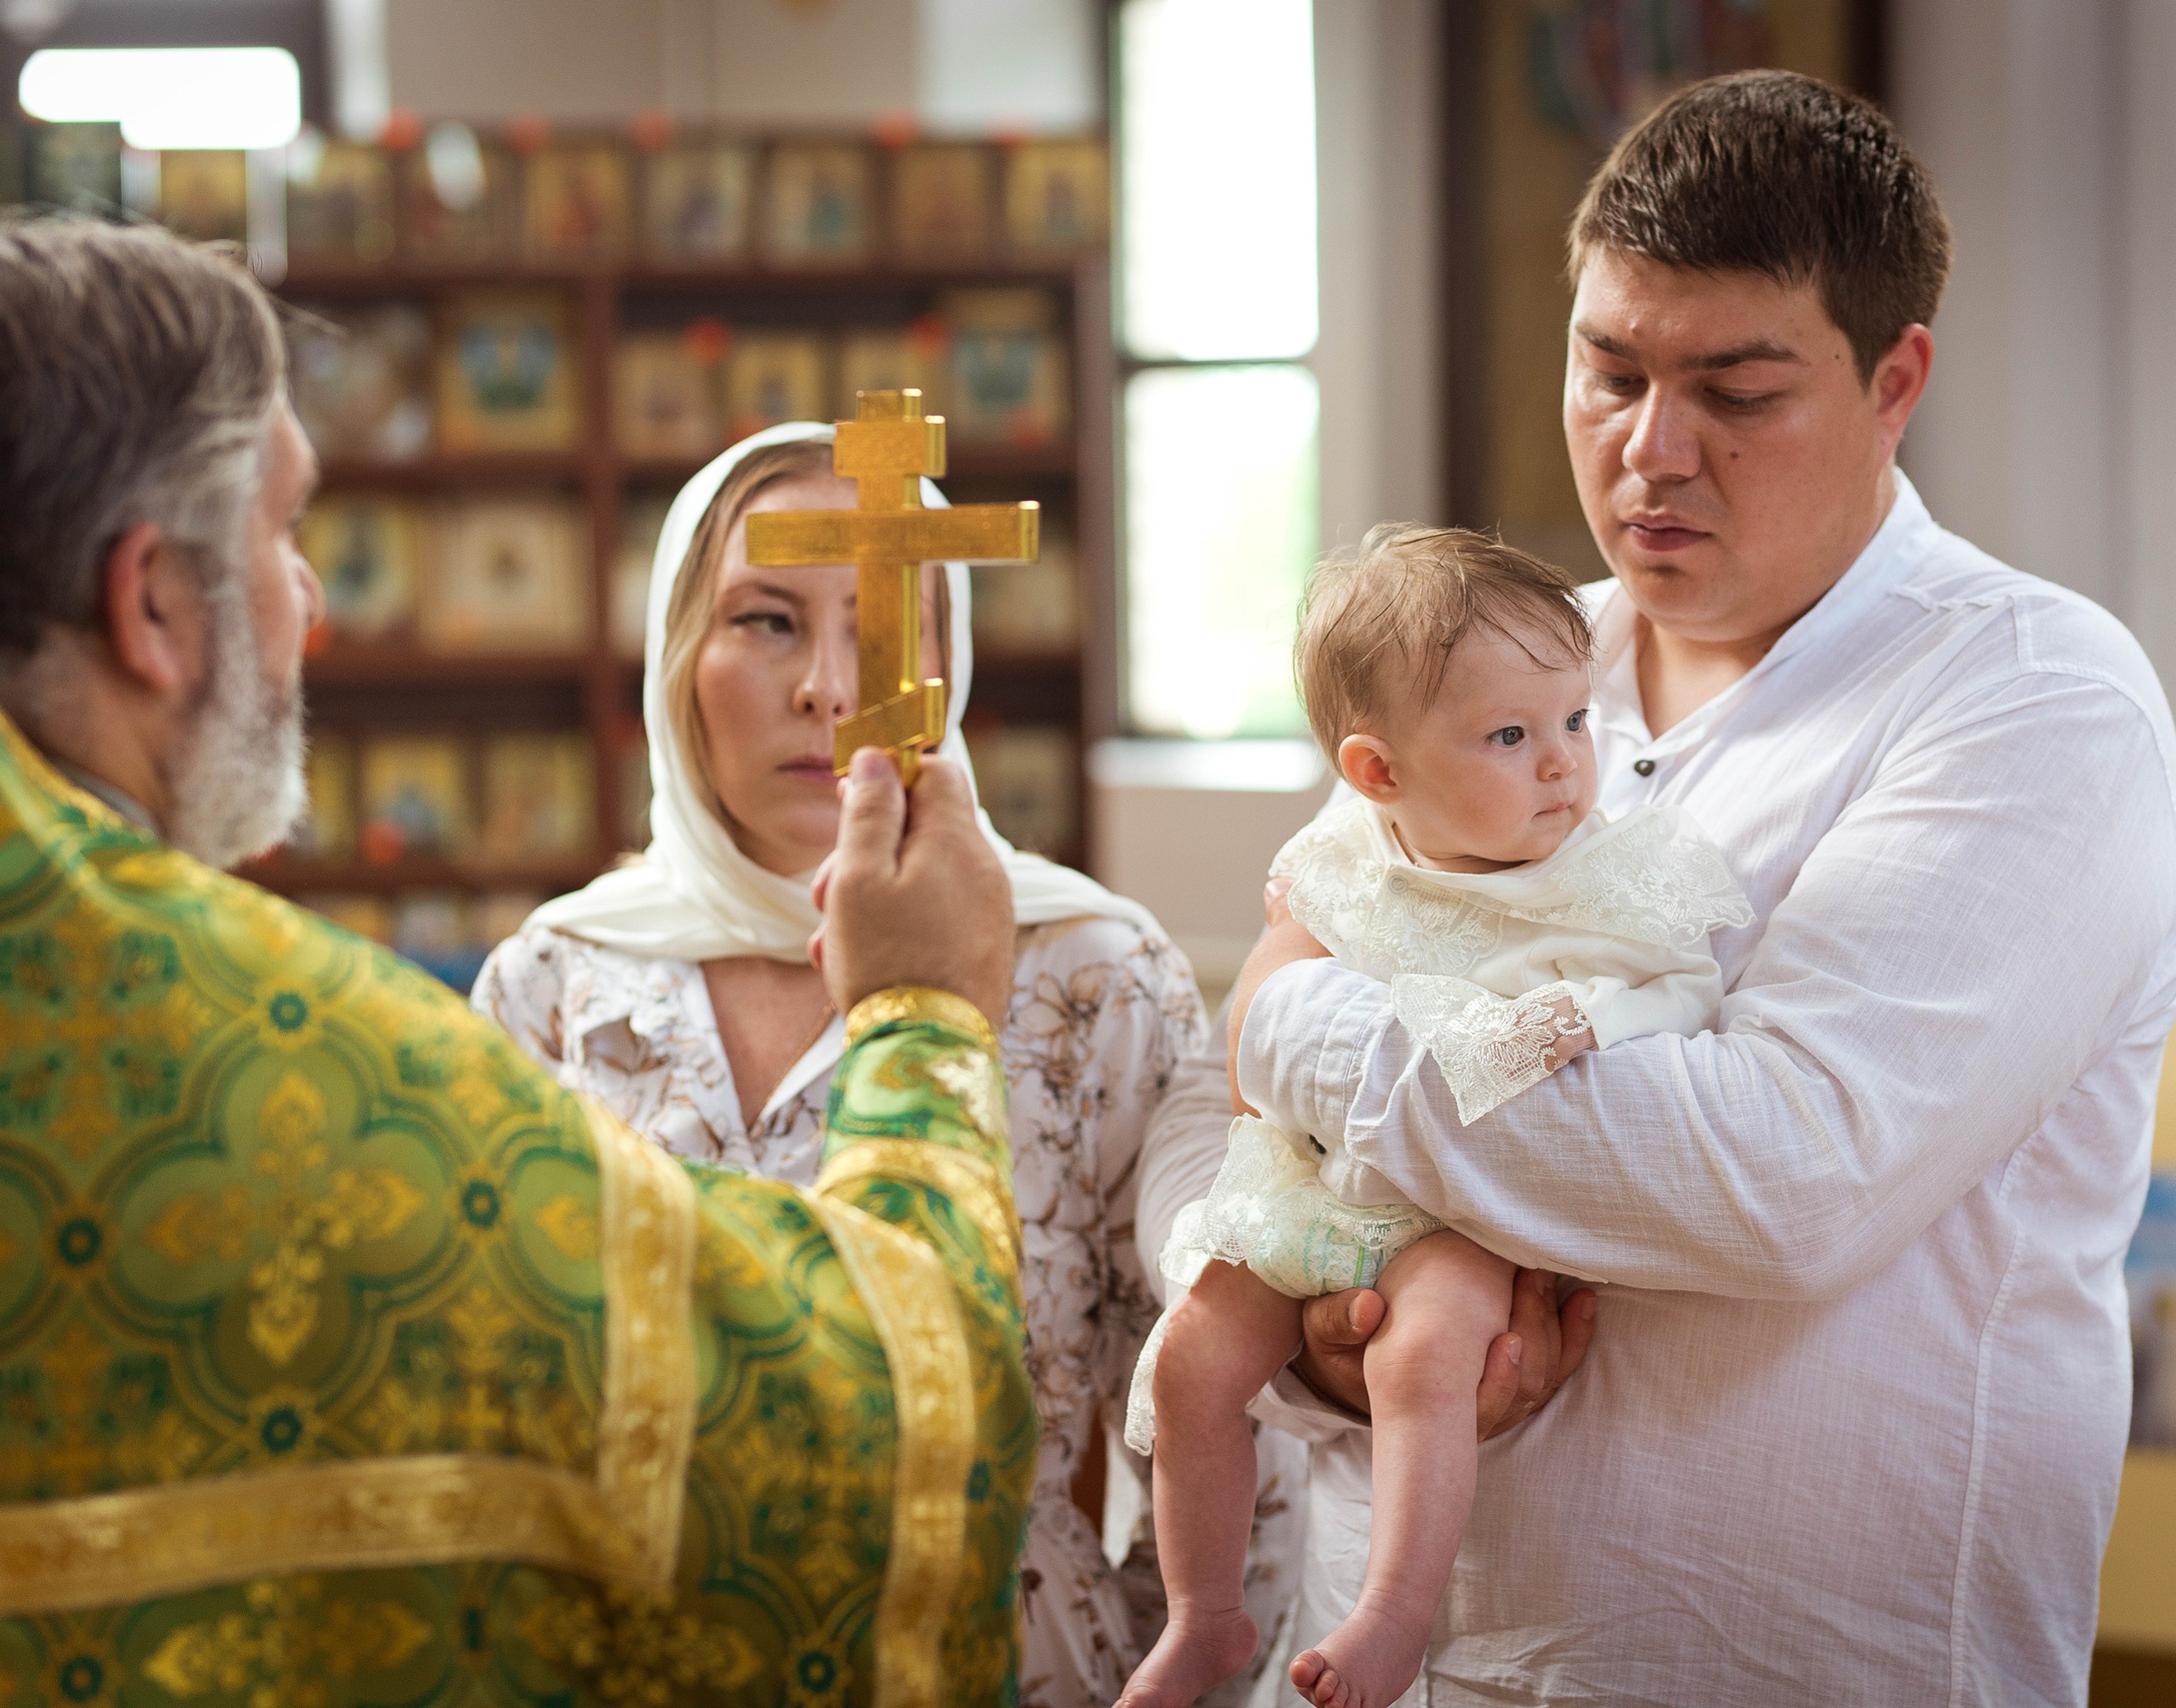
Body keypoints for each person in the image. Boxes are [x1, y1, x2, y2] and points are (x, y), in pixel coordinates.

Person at [1138, 70, 2176, 1705]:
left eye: (1736, 387)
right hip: (1425, 1649)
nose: (1650, 449)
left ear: (1893, 378)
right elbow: (1243, 1130)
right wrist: (1341, 1340)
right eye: (1610, 368)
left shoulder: (2031, 701)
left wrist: (1318, 1031)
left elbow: (1780, 1172)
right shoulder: (1496, 667)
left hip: (1800, 1661)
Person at [0, 216, 1036, 1702]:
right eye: (284, 535)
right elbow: (877, 1460)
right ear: (153, 602)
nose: (316, 602)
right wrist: (928, 1013)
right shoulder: (341, 1064)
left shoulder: (1099, 962)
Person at [470, 422, 1296, 1708]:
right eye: (767, 621)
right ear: (677, 653)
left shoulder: (1091, 969)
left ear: (951, 659)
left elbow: (1226, 1384)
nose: (831, 691)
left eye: (885, 627)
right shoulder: (557, 981)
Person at [1117, 527, 1750, 1708]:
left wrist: (1586, 1021)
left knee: (1426, 1353)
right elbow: (1252, 1035)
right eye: (1511, 736)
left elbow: (1685, 988)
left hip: (1461, 1208)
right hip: (1316, 1182)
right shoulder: (1352, 859)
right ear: (1376, 773)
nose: (1563, 764)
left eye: (1574, 720)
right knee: (1198, 1354)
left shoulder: (1600, 872)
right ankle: (1204, 1616)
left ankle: (1395, 1612)